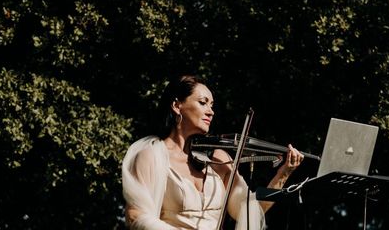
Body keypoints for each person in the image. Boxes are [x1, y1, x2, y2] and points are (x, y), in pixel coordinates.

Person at [122, 75, 304, 230]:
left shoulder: (218, 158)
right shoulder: (151, 156)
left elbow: (251, 211)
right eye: (203, 103)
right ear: (177, 106)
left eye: (212, 105)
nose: (211, 112)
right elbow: (136, 216)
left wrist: (283, 174)